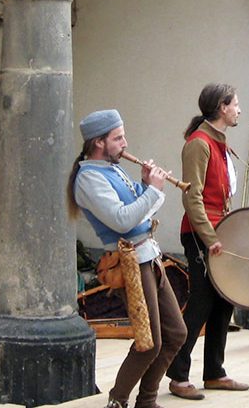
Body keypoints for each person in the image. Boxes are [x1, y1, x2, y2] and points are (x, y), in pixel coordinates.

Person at [68, 109, 187, 408]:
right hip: (129, 263)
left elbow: (140, 209)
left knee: (176, 333)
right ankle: (118, 400)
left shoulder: (113, 169)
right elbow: (123, 220)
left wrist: (147, 185)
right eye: (118, 138)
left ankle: (146, 400)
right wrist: (154, 191)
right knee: (149, 343)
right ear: (98, 142)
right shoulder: (89, 179)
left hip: (149, 255)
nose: (125, 143)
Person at [166, 84, 249, 400]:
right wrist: (210, 237)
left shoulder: (217, 142)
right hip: (201, 233)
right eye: (236, 104)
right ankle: (177, 375)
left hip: (219, 230)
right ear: (222, 107)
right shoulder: (199, 144)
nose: (239, 109)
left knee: (225, 299)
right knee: (201, 301)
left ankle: (214, 372)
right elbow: (192, 197)